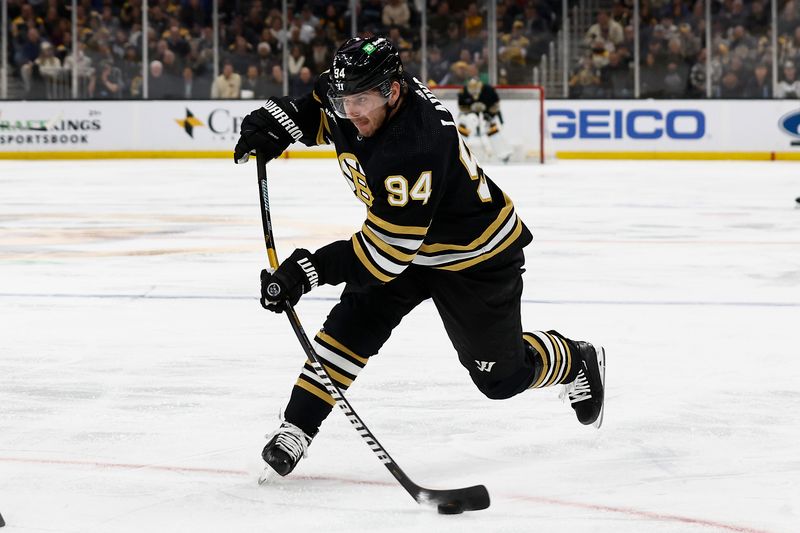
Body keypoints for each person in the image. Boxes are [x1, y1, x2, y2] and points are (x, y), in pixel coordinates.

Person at [233, 36, 606, 478]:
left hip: (473, 257)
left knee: (500, 379)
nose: (350, 111)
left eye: (361, 101)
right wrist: (279, 123)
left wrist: (308, 270)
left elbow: (384, 256)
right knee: (349, 330)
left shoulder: (414, 144)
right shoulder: (362, 94)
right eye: (344, 99)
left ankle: (574, 358)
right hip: (403, 243)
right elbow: (319, 108)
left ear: (393, 92)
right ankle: (297, 426)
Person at [456, 76, 513, 162]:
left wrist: (489, 114)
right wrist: (471, 110)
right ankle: (458, 152)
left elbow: (496, 105)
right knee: (465, 125)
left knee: (492, 130)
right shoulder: (464, 91)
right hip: (471, 115)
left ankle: (503, 154)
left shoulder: (488, 90)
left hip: (488, 114)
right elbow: (462, 107)